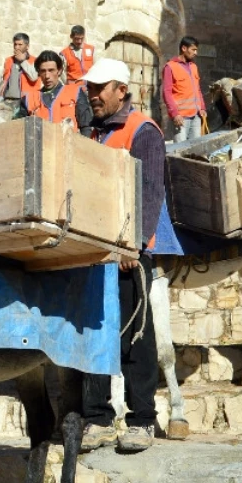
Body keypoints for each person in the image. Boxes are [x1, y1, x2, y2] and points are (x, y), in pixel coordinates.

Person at [80, 58, 164, 453]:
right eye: (90, 89)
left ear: (121, 90)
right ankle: (96, 417)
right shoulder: (92, 133)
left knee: (136, 337)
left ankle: (143, 419)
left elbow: (150, 191)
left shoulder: (142, 131)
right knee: (95, 335)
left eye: (101, 89)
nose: (92, 95)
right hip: (94, 251)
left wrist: (134, 244)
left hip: (129, 251)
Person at [20, 50, 92, 134]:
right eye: (43, 71)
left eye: (51, 70)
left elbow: (86, 128)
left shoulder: (75, 92)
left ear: (59, 71)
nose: (47, 76)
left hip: (68, 145)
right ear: (38, 72)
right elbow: (18, 132)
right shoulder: (28, 100)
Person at [162, 36, 206, 142]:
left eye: (196, 50)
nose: (196, 53)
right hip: (181, 118)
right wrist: (175, 114)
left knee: (196, 150)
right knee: (180, 150)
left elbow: (198, 89)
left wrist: (203, 107)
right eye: (193, 49)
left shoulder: (194, 67)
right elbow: (166, 92)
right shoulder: (170, 67)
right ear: (184, 48)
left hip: (196, 116)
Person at [0, 32, 39, 116]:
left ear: (27, 46)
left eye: (20, 44)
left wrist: (23, 61)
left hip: (26, 102)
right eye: (15, 44)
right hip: (8, 101)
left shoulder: (35, 61)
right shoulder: (9, 60)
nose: (17, 47)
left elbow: (33, 77)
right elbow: (4, 81)